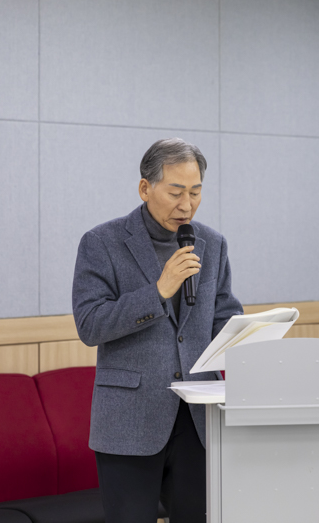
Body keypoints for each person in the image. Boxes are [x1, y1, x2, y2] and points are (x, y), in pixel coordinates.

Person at [72, 138, 242, 523]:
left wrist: (247, 335)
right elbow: (90, 324)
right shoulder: (102, 242)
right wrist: (158, 291)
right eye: (176, 192)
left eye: (195, 192)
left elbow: (224, 314)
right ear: (145, 188)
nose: (187, 205)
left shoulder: (212, 244)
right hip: (130, 420)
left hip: (198, 419)